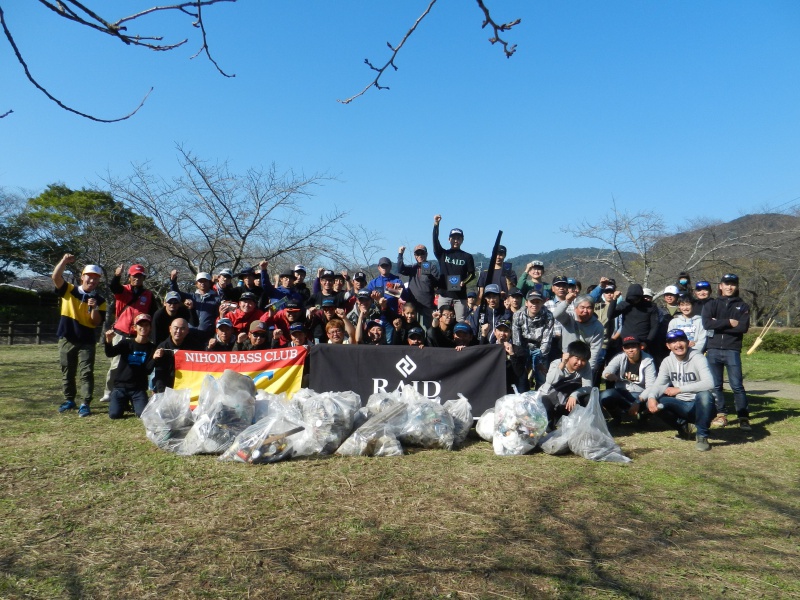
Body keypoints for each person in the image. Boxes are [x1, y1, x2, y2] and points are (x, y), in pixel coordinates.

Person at [641, 329, 717, 451]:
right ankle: (682, 428)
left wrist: (679, 389)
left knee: (704, 395)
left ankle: (702, 436)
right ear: (668, 346)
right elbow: (659, 384)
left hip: (702, 406)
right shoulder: (667, 361)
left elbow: (709, 383)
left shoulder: (698, 358)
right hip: (681, 404)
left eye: (681, 340)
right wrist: (651, 398)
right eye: (673, 342)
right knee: (658, 402)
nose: (678, 345)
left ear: (688, 342)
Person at [52, 254, 107, 417]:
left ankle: (85, 403)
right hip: (67, 337)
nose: (92, 281)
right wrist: (63, 261)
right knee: (67, 371)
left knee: (86, 372)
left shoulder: (100, 300)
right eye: (89, 277)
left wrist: (94, 308)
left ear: (98, 281)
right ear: (82, 277)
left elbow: (96, 322)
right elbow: (55, 277)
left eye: (95, 279)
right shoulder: (69, 290)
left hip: (87, 341)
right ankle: (69, 399)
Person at [702, 273, 751, 430]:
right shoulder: (711, 304)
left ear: (736, 287)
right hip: (713, 348)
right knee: (716, 385)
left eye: (732, 284)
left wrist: (719, 324)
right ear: (720, 286)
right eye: (726, 284)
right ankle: (721, 414)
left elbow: (743, 327)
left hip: (732, 349)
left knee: (737, 385)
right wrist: (729, 322)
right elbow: (707, 324)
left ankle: (743, 417)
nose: (729, 287)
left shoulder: (743, 306)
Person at [101, 263, 157, 403]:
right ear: (130, 277)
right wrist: (117, 275)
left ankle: (134, 392)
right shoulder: (123, 290)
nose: (137, 278)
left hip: (138, 335)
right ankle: (109, 392)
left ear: (143, 278)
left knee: (137, 364)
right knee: (116, 365)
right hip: (121, 332)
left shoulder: (148, 295)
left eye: (140, 276)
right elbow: (114, 287)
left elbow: (154, 314)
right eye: (134, 276)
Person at [104, 313, 156, 419]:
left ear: (150, 328)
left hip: (138, 389)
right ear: (135, 328)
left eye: (146, 325)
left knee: (141, 414)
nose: (143, 328)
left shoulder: (152, 348)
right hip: (120, 387)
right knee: (114, 415)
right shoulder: (126, 343)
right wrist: (108, 342)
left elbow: (148, 370)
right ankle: (123, 402)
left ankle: (134, 402)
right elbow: (110, 353)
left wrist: (155, 359)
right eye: (140, 325)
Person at [600, 336, 657, 425]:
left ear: (640, 347)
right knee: (605, 395)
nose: (630, 350)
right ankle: (617, 417)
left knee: (655, 400)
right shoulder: (620, 357)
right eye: (627, 347)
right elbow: (607, 371)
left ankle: (644, 416)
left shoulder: (648, 361)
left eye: (633, 347)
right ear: (623, 349)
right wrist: (608, 375)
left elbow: (651, 386)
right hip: (622, 392)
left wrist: (638, 401)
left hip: (641, 395)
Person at [538, 341, 594, 429]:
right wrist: (562, 364)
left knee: (588, 397)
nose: (579, 363)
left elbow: (588, 386)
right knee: (546, 407)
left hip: (566, 398)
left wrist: (574, 395)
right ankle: (549, 423)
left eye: (583, 360)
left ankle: (582, 424)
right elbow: (550, 381)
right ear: (569, 356)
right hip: (548, 395)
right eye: (577, 358)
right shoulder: (557, 363)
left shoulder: (586, 366)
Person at [432, 214, 475, 322]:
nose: (456, 240)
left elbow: (472, 273)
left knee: (460, 321)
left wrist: (464, 282)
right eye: (454, 238)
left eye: (458, 238)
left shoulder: (467, 256)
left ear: (462, 240)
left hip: (460, 296)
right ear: (449, 239)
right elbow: (435, 241)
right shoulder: (443, 254)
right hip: (444, 294)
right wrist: (436, 225)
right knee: (440, 319)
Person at [551, 292, 605, 375]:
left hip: (584, 362)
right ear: (575, 308)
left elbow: (595, 351)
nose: (585, 311)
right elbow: (556, 314)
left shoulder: (598, 327)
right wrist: (567, 301)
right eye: (582, 307)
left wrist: (588, 371)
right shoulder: (569, 318)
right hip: (565, 358)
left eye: (589, 308)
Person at [511, 290, 555, 390]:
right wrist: (519, 355)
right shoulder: (518, 315)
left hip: (540, 348)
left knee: (541, 377)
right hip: (523, 347)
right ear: (526, 303)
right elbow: (516, 338)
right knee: (521, 377)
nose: (534, 304)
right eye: (532, 302)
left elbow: (546, 339)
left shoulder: (548, 316)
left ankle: (540, 400)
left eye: (537, 302)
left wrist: (540, 359)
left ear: (542, 302)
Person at [152, 318, 203, 393]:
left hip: (188, 387)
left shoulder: (194, 346)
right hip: (167, 387)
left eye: (182, 329)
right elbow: (160, 374)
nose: (178, 331)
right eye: (176, 328)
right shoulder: (163, 348)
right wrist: (161, 394)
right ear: (170, 329)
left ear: (187, 331)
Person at [169, 271, 221, 342]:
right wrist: (173, 280)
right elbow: (175, 293)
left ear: (209, 283)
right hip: (190, 335)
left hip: (207, 337)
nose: (202, 283)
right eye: (200, 281)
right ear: (196, 284)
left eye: (205, 281)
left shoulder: (217, 299)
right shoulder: (191, 297)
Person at [397, 244, 440, 327]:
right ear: (415, 256)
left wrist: (429, 275)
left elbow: (437, 283)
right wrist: (400, 254)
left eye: (422, 253)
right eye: (417, 254)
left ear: (426, 254)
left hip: (427, 306)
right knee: (413, 329)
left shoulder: (432, 267)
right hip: (413, 306)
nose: (420, 255)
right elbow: (400, 269)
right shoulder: (412, 268)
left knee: (426, 330)